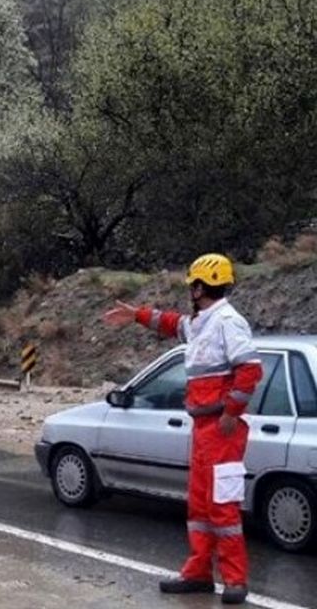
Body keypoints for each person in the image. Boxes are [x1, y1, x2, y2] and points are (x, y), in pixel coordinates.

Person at [103, 253, 262, 606]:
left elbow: (249, 369)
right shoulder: (203, 320)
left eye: (193, 284)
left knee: (223, 508)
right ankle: (199, 573)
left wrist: (231, 413)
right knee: (201, 508)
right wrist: (138, 316)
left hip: (221, 430)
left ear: (201, 286)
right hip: (204, 427)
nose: (190, 289)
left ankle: (235, 580)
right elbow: (173, 324)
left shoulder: (227, 321)